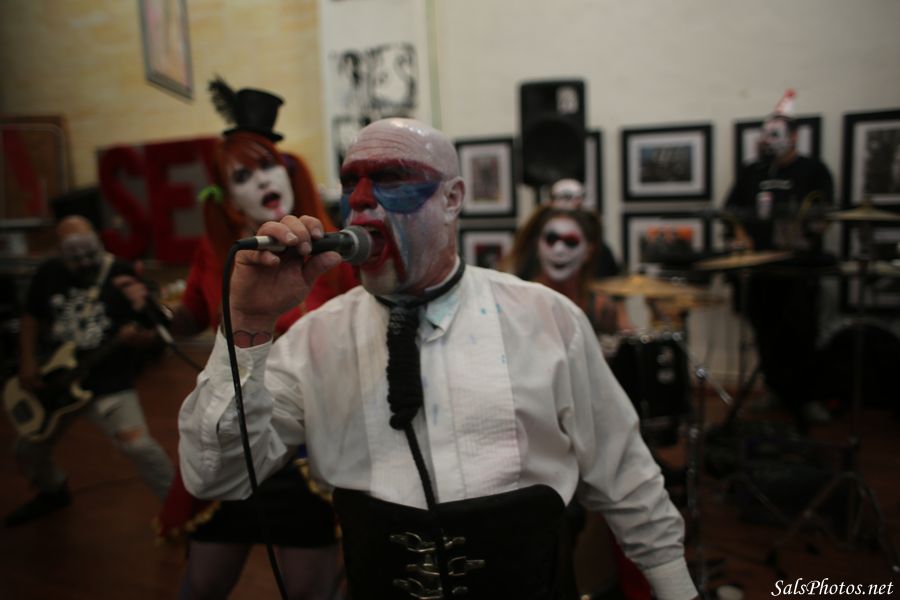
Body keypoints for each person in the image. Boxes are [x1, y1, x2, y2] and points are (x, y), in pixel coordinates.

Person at [178, 118, 698, 600]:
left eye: (391, 178)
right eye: (351, 183)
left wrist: (676, 588)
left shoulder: (546, 319)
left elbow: (624, 472)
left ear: (452, 198)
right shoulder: (315, 340)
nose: (361, 202)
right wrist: (247, 325)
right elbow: (217, 476)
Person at [155, 77, 352, 600]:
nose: (262, 179)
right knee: (203, 584)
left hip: (308, 446)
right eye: (243, 174)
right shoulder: (216, 252)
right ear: (227, 197)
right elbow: (192, 313)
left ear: (288, 171)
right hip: (235, 424)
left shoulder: (334, 251)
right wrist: (154, 313)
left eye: (269, 165)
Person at [5, 215, 175, 527]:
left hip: (110, 383)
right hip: (57, 382)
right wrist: (27, 361)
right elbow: (30, 316)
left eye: (89, 252)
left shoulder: (120, 272)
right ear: (59, 249)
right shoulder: (49, 272)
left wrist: (141, 338)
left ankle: (181, 510)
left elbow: (156, 332)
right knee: (28, 449)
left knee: (140, 446)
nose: (84, 261)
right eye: (74, 255)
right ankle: (53, 490)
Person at [723, 89, 835, 428]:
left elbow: (824, 215)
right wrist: (739, 236)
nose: (769, 141)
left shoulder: (813, 170)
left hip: (798, 272)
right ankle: (773, 387)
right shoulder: (752, 172)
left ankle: (805, 397)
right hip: (760, 271)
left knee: (801, 334)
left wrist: (806, 229)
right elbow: (730, 211)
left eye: (776, 134)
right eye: (766, 134)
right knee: (765, 332)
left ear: (794, 136)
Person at [505, 204, 631, 336]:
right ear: (537, 245)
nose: (559, 250)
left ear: (588, 251)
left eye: (571, 241)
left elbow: (624, 334)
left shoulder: (601, 307)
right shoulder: (519, 301)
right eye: (551, 239)